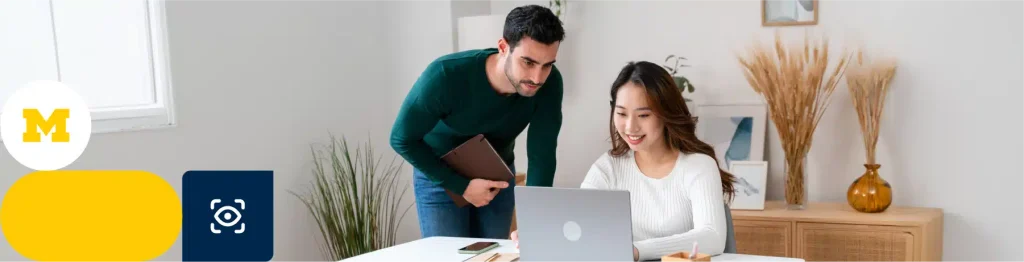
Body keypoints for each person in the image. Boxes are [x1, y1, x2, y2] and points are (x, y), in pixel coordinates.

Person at [511, 61, 737, 261]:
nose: (630, 127)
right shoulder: (608, 166)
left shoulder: (698, 166)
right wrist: (542, 233)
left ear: (666, 114)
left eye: (643, 115)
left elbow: (712, 237)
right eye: (621, 114)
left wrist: (637, 250)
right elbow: (579, 221)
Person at [389, 4, 565, 240]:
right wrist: (460, 186)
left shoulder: (550, 83)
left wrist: (534, 219)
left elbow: (542, 155)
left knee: (496, 255)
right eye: (528, 62)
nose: (537, 78)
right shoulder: (445, 75)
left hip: (497, 178)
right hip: (441, 177)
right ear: (503, 47)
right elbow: (401, 139)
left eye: (547, 65)